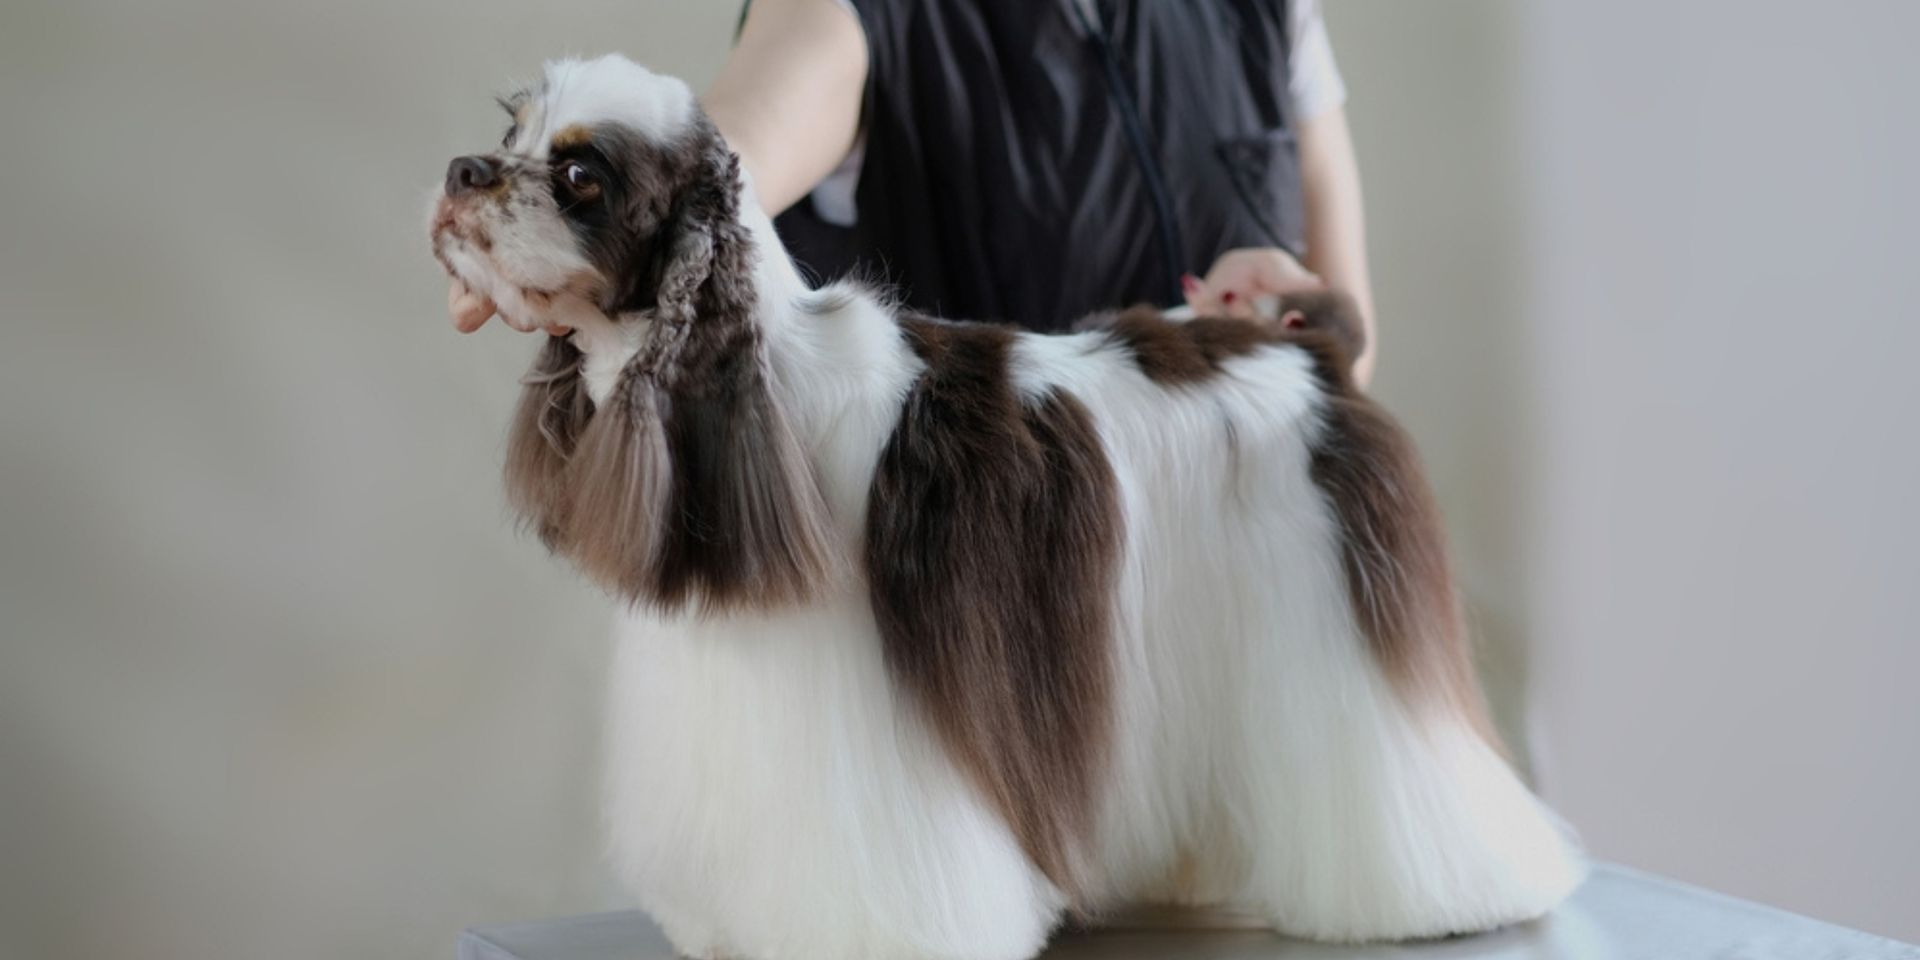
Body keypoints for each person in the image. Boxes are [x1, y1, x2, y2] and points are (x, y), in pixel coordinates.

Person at [450, 0, 1378, 383]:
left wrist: (1295, 308)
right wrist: (592, 213)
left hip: (1251, 597)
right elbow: (728, 156)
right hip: (988, 650)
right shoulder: (851, 12)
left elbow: (1351, 354)